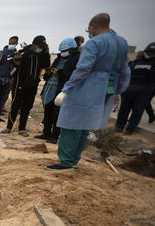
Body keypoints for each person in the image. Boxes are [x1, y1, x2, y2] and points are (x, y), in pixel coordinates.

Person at [47, 13, 130, 171]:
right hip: (106, 88)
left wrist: (67, 90)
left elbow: (83, 69)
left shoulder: (94, 43)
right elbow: (124, 70)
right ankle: (74, 160)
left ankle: (65, 162)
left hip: (87, 87)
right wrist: (118, 90)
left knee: (71, 123)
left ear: (94, 25)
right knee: (85, 125)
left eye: (89, 29)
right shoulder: (122, 43)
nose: (89, 32)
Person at [2, 35, 51, 135]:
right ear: (34, 44)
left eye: (42, 47)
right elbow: (13, 65)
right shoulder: (24, 53)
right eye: (39, 46)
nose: (40, 48)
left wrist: (47, 52)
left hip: (32, 85)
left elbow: (46, 65)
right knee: (15, 105)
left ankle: (22, 128)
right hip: (19, 84)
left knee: (27, 107)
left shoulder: (42, 55)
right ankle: (9, 127)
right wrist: (16, 62)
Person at [36, 38, 80, 143]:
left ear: (72, 49)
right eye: (62, 51)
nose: (63, 53)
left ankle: (54, 136)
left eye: (65, 51)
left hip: (61, 90)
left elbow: (73, 76)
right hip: (50, 89)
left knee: (57, 114)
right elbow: (50, 70)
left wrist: (59, 73)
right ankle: (46, 133)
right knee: (48, 112)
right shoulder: (58, 59)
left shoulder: (76, 60)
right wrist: (48, 74)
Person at [115, 42, 155, 135]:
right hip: (129, 90)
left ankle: (130, 129)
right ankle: (119, 127)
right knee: (123, 110)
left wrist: (150, 94)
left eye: (152, 53)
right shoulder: (136, 62)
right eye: (149, 52)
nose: (150, 54)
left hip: (144, 92)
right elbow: (126, 75)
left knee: (137, 111)